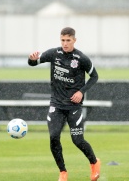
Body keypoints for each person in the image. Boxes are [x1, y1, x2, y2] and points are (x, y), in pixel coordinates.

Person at [28, 27, 100, 181]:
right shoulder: (54, 54)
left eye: (68, 40)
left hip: (73, 107)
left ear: (74, 40)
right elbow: (33, 63)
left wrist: (81, 91)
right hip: (56, 105)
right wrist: (32, 59)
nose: (65, 43)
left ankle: (94, 163)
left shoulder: (81, 58)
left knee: (78, 141)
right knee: (54, 137)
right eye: (62, 40)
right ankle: (63, 172)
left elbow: (94, 76)